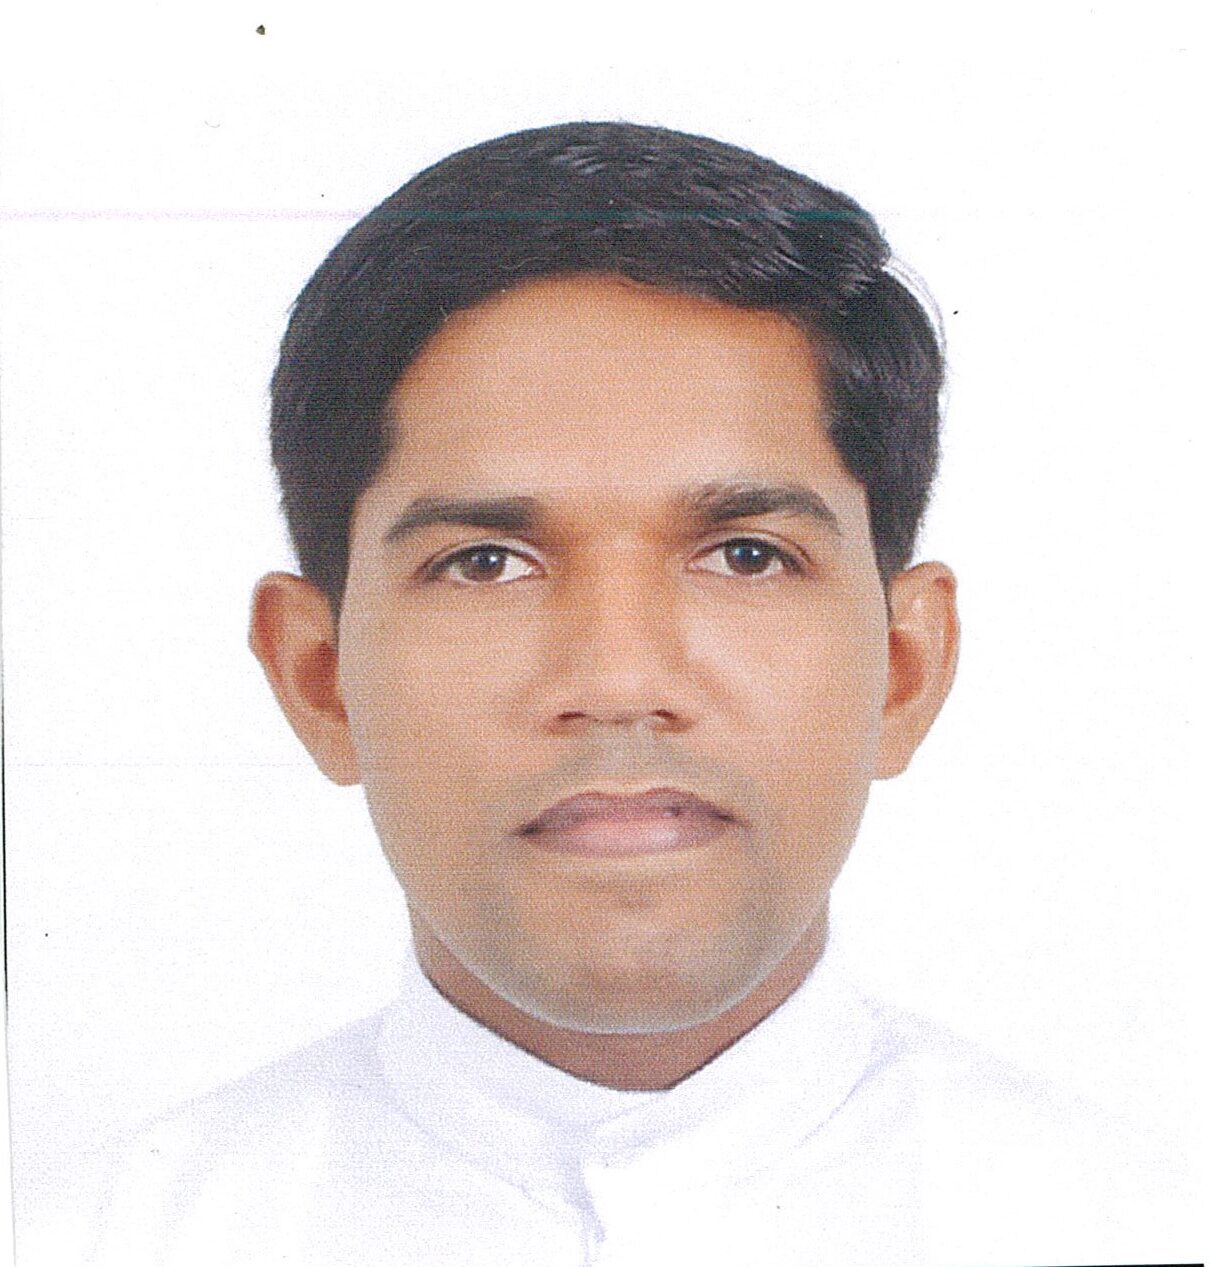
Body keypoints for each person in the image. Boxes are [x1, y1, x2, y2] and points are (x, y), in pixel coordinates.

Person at [88, 121, 1192, 1266]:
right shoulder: (91, 1235)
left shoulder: (1141, 1227)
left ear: (904, 669)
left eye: (746, 556)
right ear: (318, 679)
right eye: (485, 563)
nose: (619, 682)